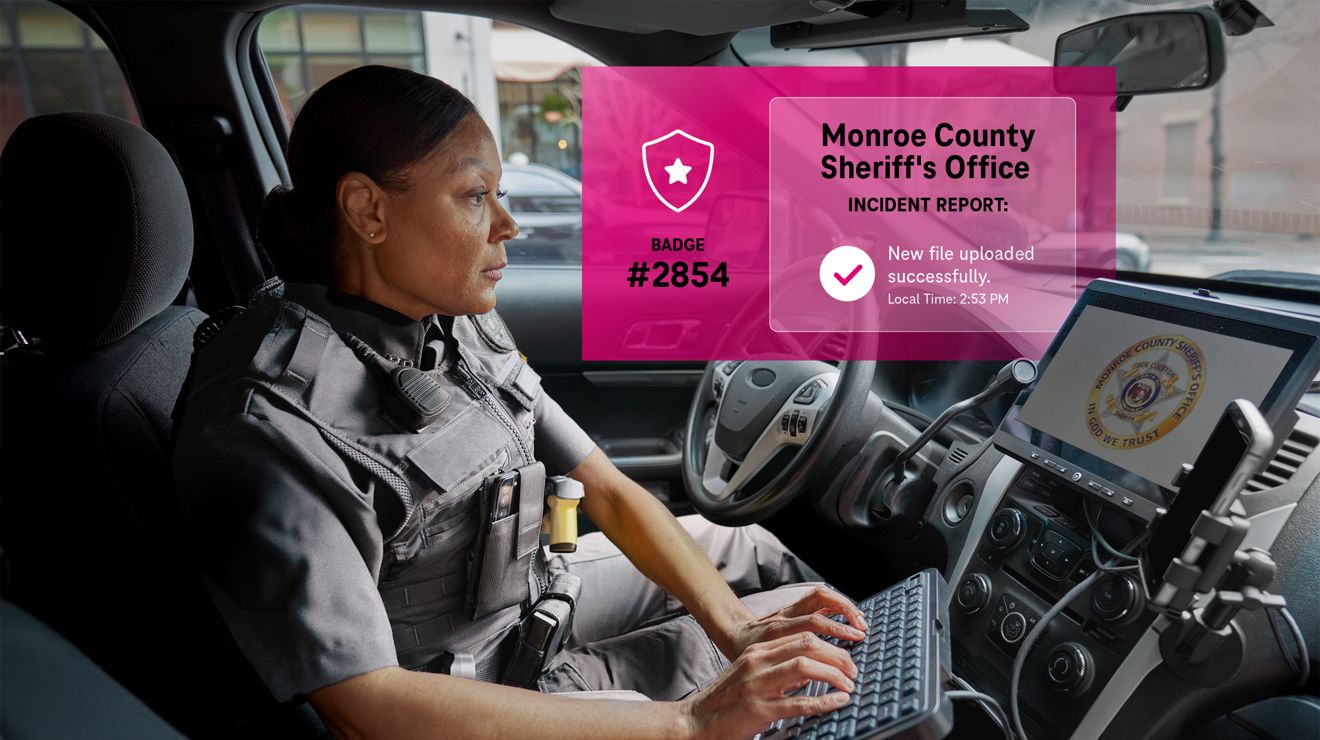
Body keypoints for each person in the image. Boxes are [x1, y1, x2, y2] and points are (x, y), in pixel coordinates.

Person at [172, 65, 867, 739]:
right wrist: (690, 723)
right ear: (368, 210)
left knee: (753, 553)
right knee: (813, 652)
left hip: (535, 604)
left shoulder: (449, 322)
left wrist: (738, 628)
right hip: (468, 702)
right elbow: (364, 707)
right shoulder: (268, 421)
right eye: (476, 196)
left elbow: (607, 489)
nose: (508, 224)